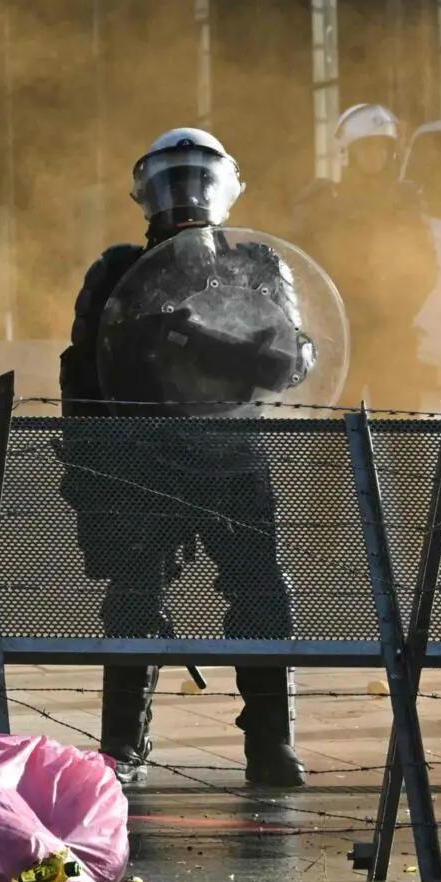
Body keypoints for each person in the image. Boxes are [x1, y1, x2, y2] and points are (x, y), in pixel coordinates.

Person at [61, 128, 310, 789]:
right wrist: (89, 468)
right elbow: (86, 371)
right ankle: (122, 742)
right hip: (145, 452)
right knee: (133, 593)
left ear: (225, 187)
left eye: (199, 178)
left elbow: (293, 359)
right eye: (173, 180)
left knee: (261, 591)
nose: (186, 194)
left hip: (233, 449)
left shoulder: (257, 265)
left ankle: (270, 741)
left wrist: (205, 340)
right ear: (146, 192)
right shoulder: (119, 271)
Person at [291, 104, 435, 407]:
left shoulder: (405, 201)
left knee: (402, 424)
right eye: (367, 148)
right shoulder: (322, 201)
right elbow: (298, 266)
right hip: (340, 334)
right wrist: (324, 314)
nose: (375, 156)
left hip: (393, 334)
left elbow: (426, 265)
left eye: (383, 148)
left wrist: (400, 310)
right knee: (338, 426)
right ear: (348, 152)